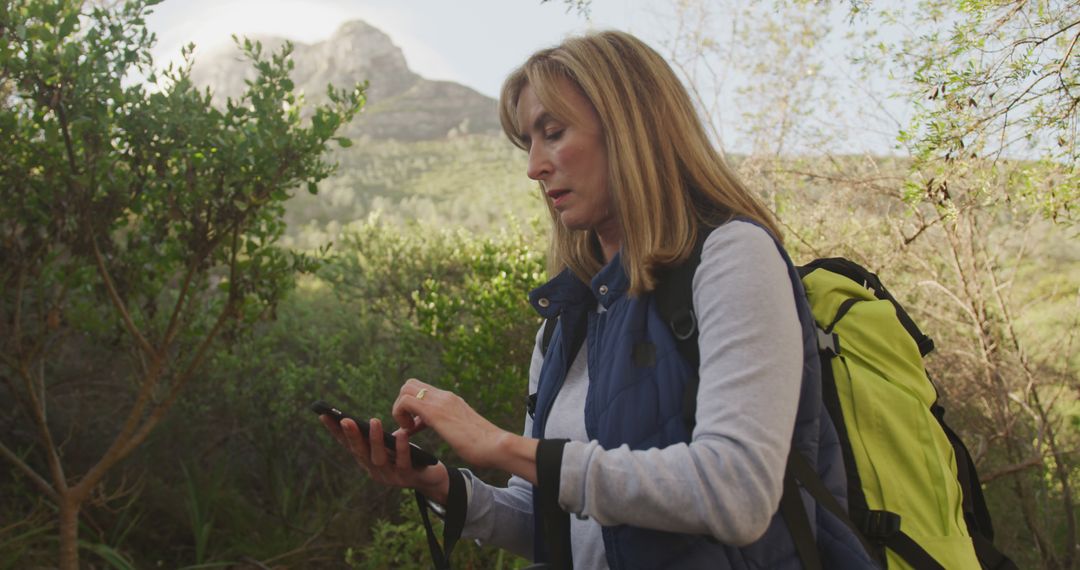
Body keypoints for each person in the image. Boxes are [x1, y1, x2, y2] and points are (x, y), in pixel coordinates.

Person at [320, 30, 874, 569]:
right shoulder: (565, 323)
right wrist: (439, 483)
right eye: (528, 142)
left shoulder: (732, 256)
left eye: (553, 132)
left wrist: (500, 445)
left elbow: (738, 495)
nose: (534, 166)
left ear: (632, 129)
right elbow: (553, 526)